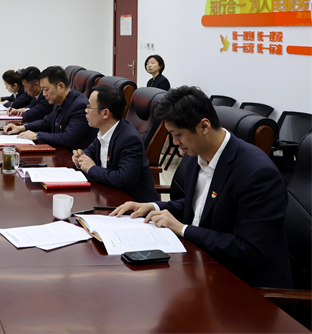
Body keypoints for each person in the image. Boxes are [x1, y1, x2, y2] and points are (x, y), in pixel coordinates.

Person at [110, 86, 292, 288]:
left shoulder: (257, 174)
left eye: (178, 134)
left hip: (244, 285)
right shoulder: (196, 154)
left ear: (204, 126)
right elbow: (201, 206)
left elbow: (249, 251)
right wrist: (153, 206)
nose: (175, 143)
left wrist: (182, 229)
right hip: (200, 264)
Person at [72, 86, 157, 201]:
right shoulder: (104, 131)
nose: (85, 110)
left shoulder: (130, 140)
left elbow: (124, 180)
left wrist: (91, 169)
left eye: (89, 107)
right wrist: (80, 158)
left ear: (105, 113)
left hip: (133, 204)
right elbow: (89, 152)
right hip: (108, 196)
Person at [4, 65, 97, 151]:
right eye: (42, 90)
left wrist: (36, 136)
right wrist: (22, 127)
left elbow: (67, 139)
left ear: (61, 87)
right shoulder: (59, 100)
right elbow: (47, 121)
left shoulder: (80, 106)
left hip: (74, 157)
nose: (44, 94)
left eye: (46, 89)